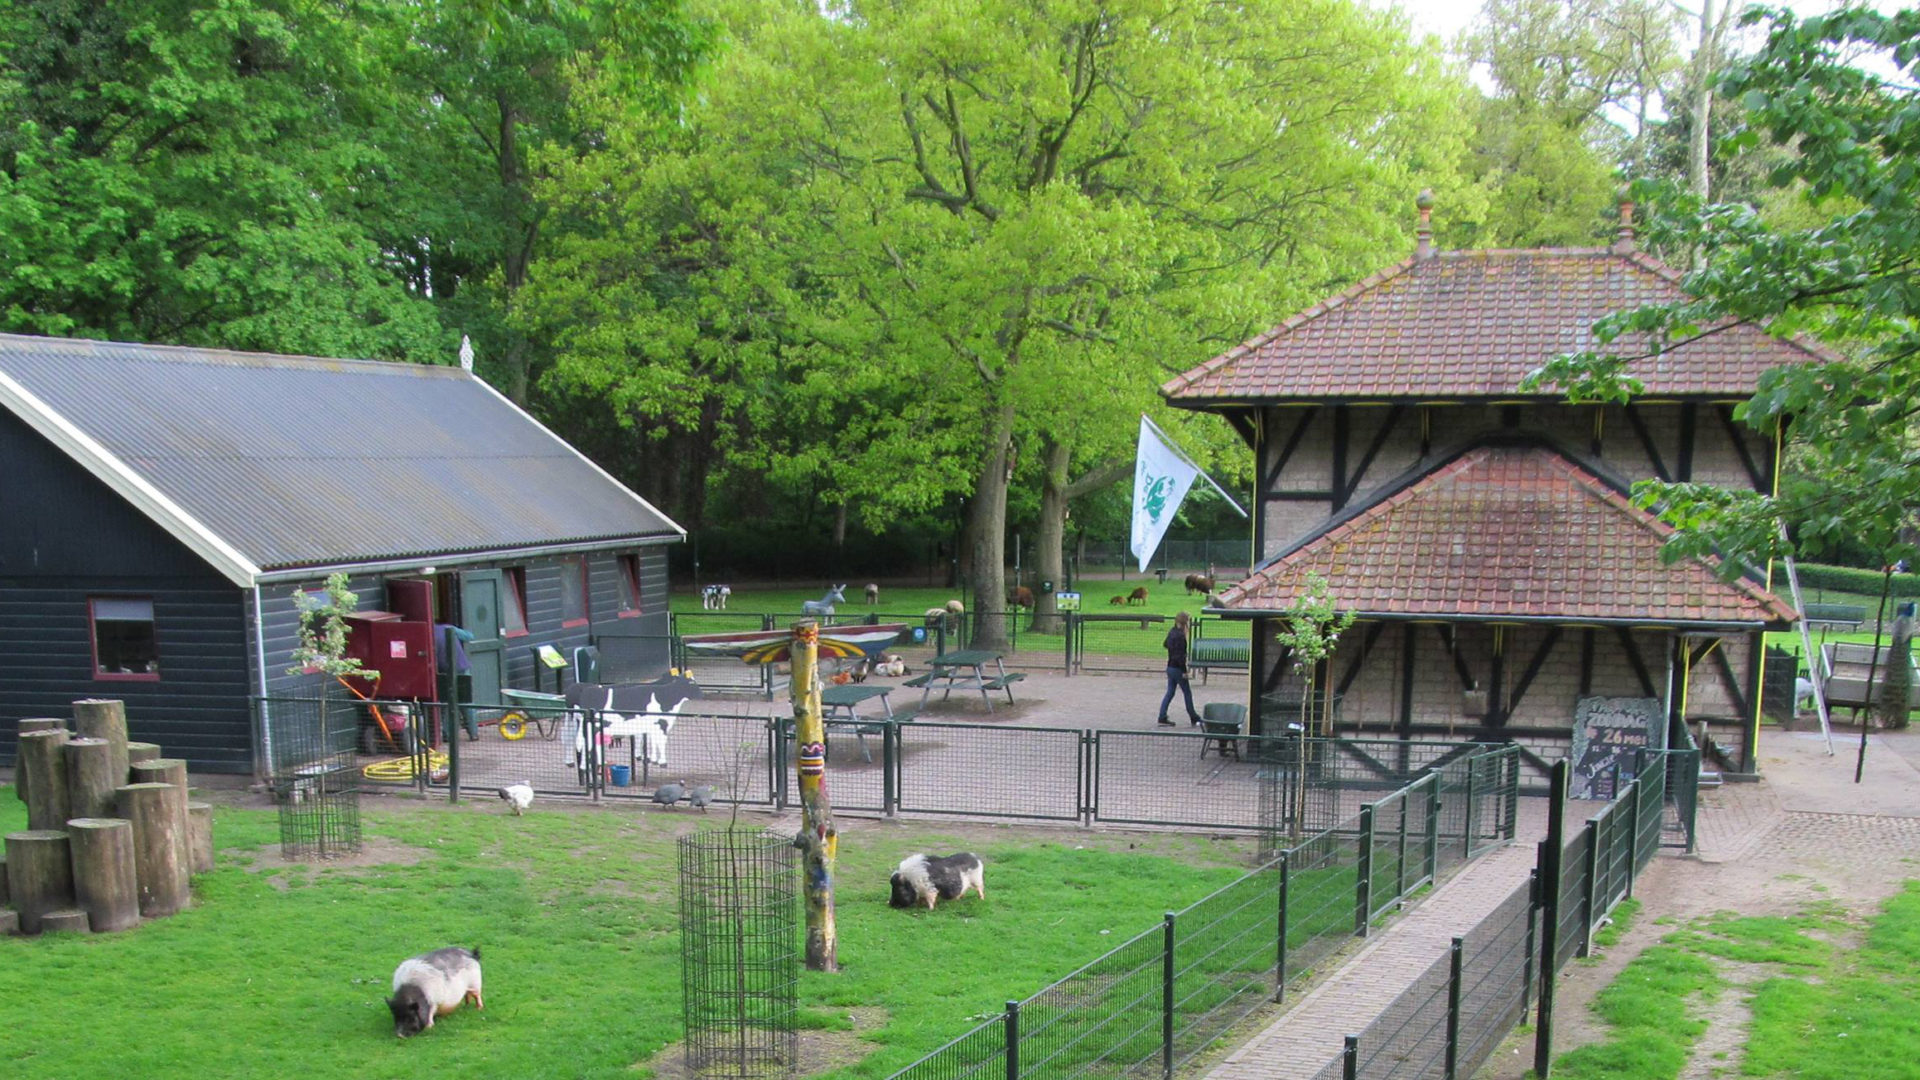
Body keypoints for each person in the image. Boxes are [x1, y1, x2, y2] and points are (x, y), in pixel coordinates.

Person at [1158, 611, 1203, 727]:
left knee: (1170, 692)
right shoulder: (1181, 637)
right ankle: (1194, 717)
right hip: (1177, 668)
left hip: (1170, 667)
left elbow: (1165, 644)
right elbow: (1181, 656)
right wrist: (1184, 671)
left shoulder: (1172, 632)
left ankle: (1162, 716)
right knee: (1187, 692)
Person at [435, 622, 478, 740]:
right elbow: (469, 636)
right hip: (462, 668)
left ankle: (448, 735)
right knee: (466, 701)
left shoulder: (428, 634)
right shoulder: (448, 628)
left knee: (447, 702)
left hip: (445, 670)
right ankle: (473, 733)